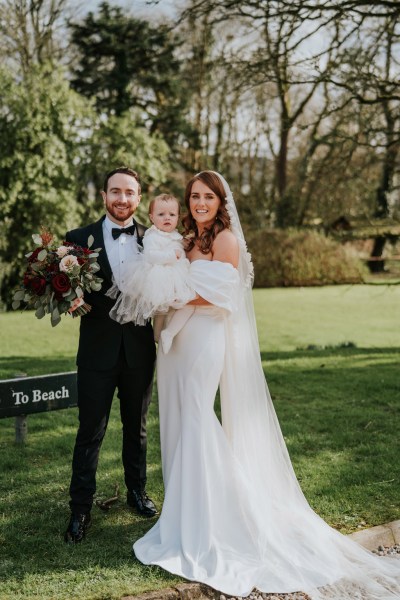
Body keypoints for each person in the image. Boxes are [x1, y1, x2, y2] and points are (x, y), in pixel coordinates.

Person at [133, 171, 400, 599]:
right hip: (176, 343)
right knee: (179, 418)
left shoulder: (225, 242)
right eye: (194, 197)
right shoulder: (186, 240)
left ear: (221, 203)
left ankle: (218, 518)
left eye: (208, 197)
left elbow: (222, 295)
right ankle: (182, 511)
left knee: (198, 417)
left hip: (204, 337)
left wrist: (175, 297)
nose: (200, 203)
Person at [64, 167, 157, 544]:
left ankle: (137, 493)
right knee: (90, 433)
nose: (122, 199)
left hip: (140, 352)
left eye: (129, 192)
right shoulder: (76, 240)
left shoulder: (155, 241)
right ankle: (80, 510)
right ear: (104, 196)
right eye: (115, 191)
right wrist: (68, 299)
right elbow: (64, 291)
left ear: (138, 197)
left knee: (137, 429)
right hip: (96, 353)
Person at [106, 193, 196, 350]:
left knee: (187, 303)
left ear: (178, 217)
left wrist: (182, 252)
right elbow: (150, 255)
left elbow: (181, 253)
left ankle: (169, 332)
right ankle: (157, 335)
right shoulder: (152, 235)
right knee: (160, 309)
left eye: (172, 214)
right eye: (161, 214)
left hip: (176, 275)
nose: (167, 218)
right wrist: (171, 256)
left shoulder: (177, 236)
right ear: (152, 217)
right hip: (158, 275)